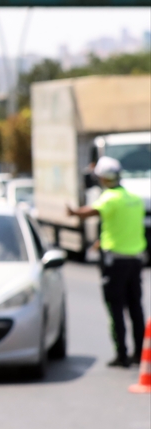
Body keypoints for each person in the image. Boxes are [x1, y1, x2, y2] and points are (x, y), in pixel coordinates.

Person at [67, 156, 147, 367]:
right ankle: (141, 352)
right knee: (135, 307)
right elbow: (122, 226)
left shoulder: (109, 198)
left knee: (116, 307)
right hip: (135, 260)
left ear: (102, 178)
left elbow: (89, 212)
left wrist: (73, 211)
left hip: (115, 263)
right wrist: (100, 241)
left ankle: (122, 354)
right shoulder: (134, 198)